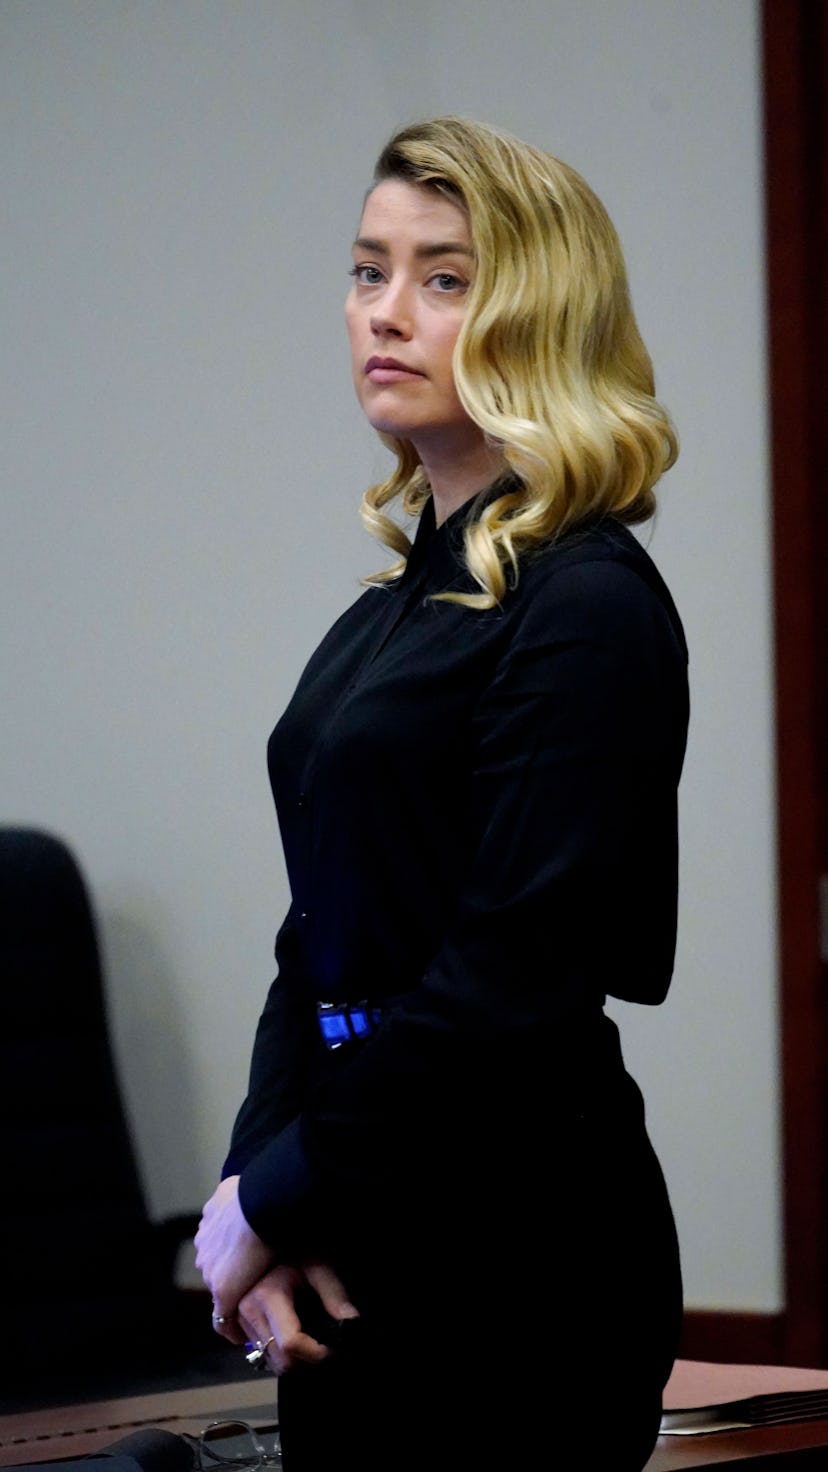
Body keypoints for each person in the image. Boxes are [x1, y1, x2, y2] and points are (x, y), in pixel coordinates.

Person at [195, 115, 688, 1471]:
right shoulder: (385, 619)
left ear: (540, 307)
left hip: (519, 1247)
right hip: (363, 1214)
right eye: (367, 271)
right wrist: (260, 1193)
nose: (387, 313)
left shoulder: (585, 605)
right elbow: (319, 945)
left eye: (444, 277)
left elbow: (510, 978)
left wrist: (290, 1189)